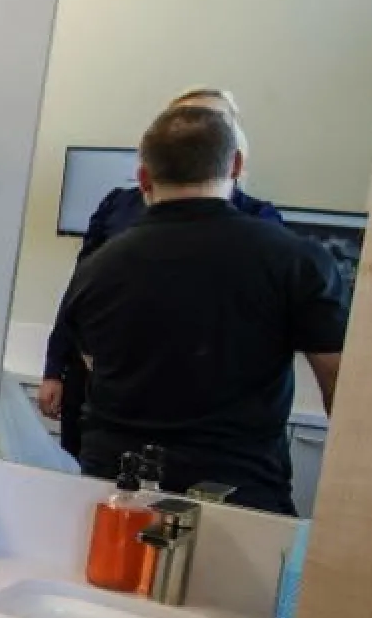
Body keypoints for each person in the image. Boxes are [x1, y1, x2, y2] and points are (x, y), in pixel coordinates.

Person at [56, 103, 347, 515]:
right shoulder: (296, 260)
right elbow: (340, 386)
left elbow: (94, 366)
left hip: (116, 496)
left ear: (143, 177)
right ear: (236, 166)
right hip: (239, 494)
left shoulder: (97, 269)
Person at [39, 88, 283, 454]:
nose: (195, 133)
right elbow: (80, 292)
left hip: (207, 409)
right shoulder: (118, 207)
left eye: (210, 123)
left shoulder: (262, 224)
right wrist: (54, 368)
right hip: (105, 391)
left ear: (234, 156)